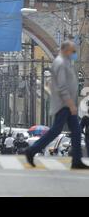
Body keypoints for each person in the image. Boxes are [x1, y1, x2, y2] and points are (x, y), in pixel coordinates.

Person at [26, 40, 89, 169]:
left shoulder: (65, 62)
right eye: (73, 51)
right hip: (63, 105)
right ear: (66, 50)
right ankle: (32, 150)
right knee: (56, 131)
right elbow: (62, 87)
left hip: (67, 104)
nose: (74, 53)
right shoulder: (60, 63)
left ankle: (76, 160)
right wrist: (71, 104)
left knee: (76, 132)